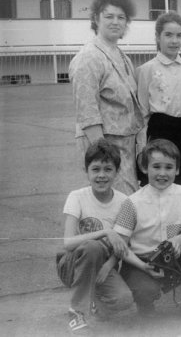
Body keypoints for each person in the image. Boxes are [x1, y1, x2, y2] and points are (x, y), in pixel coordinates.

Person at [114, 139, 181, 324]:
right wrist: (142, 266)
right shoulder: (132, 203)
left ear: (177, 170)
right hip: (141, 261)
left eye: (169, 167)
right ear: (145, 168)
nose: (162, 173)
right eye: (156, 167)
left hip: (172, 259)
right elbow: (121, 246)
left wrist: (178, 240)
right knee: (146, 290)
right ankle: (145, 304)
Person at [69, 0, 143, 195]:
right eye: (109, 16)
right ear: (96, 18)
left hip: (125, 146)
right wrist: (104, 157)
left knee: (126, 201)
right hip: (103, 146)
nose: (115, 22)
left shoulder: (122, 56)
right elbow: (88, 114)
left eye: (121, 17)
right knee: (112, 201)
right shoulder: (88, 57)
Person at [57, 139, 133, 334]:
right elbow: (68, 243)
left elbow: (122, 245)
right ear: (86, 171)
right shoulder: (77, 197)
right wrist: (106, 232)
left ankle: (91, 300)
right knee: (93, 246)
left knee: (124, 299)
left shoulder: (124, 202)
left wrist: (108, 267)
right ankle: (76, 313)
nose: (101, 175)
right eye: (96, 169)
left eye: (108, 169)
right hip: (72, 264)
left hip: (103, 265)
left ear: (117, 172)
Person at [137, 12, 181, 185]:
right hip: (160, 132)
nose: (174, 41)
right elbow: (142, 114)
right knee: (159, 182)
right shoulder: (147, 69)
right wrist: (142, 148)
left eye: (179, 35)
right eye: (168, 35)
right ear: (158, 37)